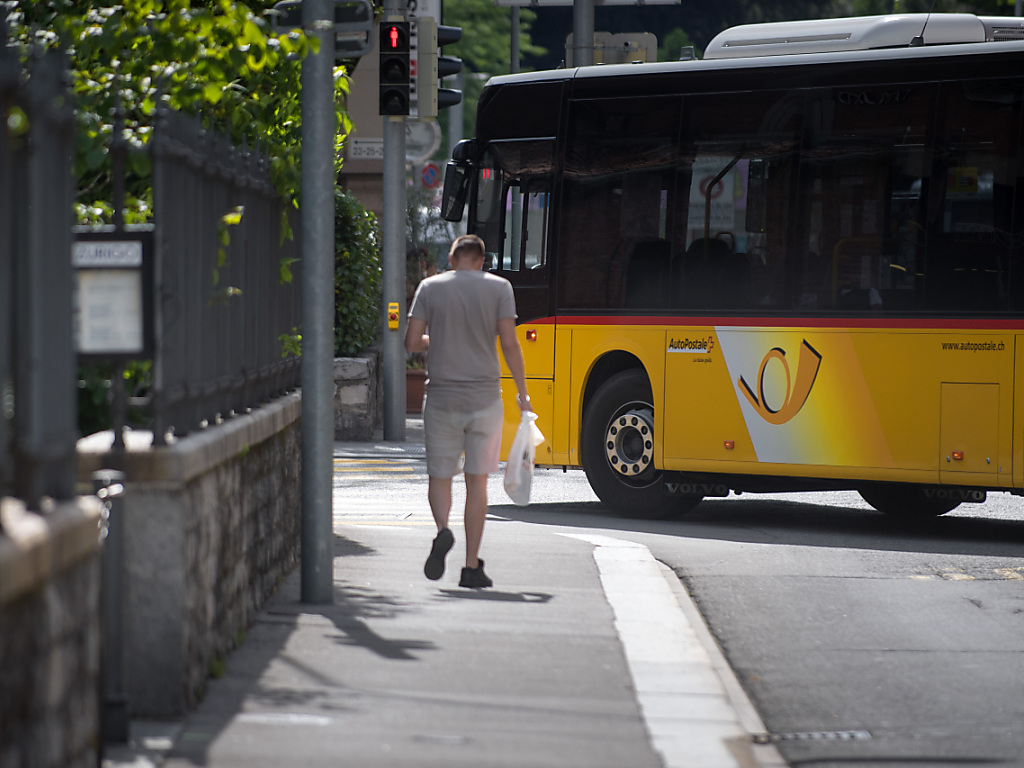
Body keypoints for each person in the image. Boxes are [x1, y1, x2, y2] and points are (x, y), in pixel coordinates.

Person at [404, 234, 531, 589]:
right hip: (485, 400)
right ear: (481, 261)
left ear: (451, 259)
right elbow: (510, 343)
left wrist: (439, 338)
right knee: (477, 483)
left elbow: (411, 342)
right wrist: (523, 393)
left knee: (440, 476)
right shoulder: (500, 288)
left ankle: (443, 530)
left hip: (442, 398)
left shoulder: (430, 287)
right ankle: (471, 567)